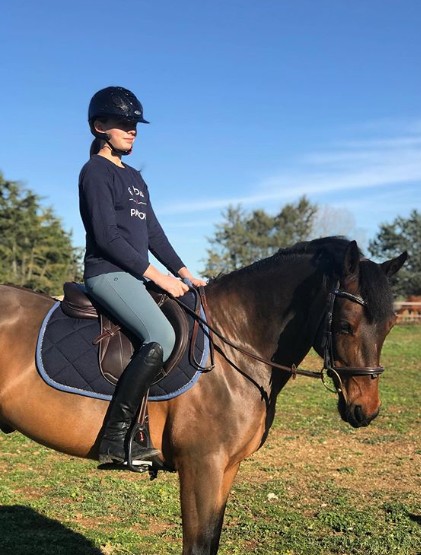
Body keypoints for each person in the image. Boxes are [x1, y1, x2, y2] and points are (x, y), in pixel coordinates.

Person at [79, 86, 206, 466]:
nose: (132, 130)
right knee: (162, 335)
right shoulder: (94, 172)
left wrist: (184, 272)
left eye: (135, 124)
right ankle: (116, 439)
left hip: (136, 274)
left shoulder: (135, 177)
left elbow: (153, 233)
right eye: (123, 124)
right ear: (100, 127)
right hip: (108, 273)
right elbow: (107, 237)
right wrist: (158, 277)